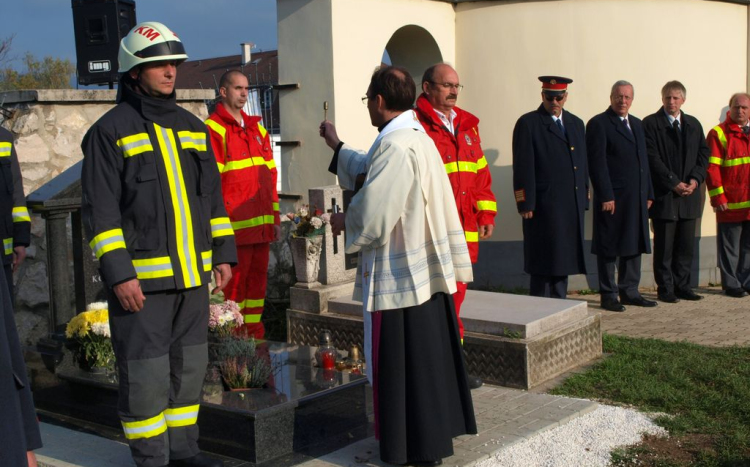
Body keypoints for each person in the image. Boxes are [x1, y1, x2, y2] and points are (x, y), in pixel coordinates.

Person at [81, 22, 237, 467]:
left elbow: (212, 199)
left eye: (173, 63)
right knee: (146, 378)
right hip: (141, 288)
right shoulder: (109, 132)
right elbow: (101, 213)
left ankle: (184, 454)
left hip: (191, 282)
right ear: (133, 71)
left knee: (188, 374)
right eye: (158, 64)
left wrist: (223, 253)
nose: (170, 71)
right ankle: (151, 460)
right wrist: (119, 274)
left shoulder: (193, 128)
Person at [322, 66, 476, 466]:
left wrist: (344, 220)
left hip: (401, 277)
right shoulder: (412, 136)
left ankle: (413, 449)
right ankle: (425, 445)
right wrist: (337, 146)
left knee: (405, 369)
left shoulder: (396, 145)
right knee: (424, 367)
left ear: (377, 101)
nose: (368, 107)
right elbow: (369, 168)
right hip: (423, 277)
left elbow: (374, 214)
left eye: (367, 100)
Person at [413, 64, 496, 388]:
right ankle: (438, 370)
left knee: (456, 299)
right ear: (427, 87)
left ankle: (452, 369)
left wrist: (486, 214)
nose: (453, 91)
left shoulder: (467, 126)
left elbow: (481, 176)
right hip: (433, 231)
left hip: (465, 229)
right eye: (447, 85)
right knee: (435, 301)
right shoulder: (417, 125)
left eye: (457, 86)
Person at [206, 70, 280, 338]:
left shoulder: (257, 129)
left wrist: (275, 219)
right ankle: (234, 352)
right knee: (232, 297)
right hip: (234, 235)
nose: (244, 94)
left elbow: (269, 177)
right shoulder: (213, 130)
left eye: (246, 89)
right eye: (237, 88)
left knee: (257, 294)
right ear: (223, 92)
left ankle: (256, 345)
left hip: (260, 232)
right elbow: (210, 188)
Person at [512, 76, 588, 298]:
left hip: (569, 203)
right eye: (549, 96)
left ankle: (560, 304)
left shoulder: (576, 123)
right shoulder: (529, 123)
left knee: (563, 258)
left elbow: (582, 163)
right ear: (542, 95)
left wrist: (583, 197)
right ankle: (540, 306)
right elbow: (523, 166)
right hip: (543, 205)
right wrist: (524, 202)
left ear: (566, 97)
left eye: (558, 97)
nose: (554, 101)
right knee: (544, 259)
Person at [587, 81, 656, 312]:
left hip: (636, 198)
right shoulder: (599, 124)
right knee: (609, 246)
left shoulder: (637, 124)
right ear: (610, 97)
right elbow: (597, 164)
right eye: (618, 96)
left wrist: (648, 192)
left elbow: (643, 162)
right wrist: (605, 194)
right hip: (612, 199)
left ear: (632, 99)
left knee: (634, 243)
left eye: (627, 97)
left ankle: (630, 291)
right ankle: (609, 294)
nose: (622, 101)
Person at [643, 81, 709, 303]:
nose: (671, 102)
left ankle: (683, 286)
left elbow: (703, 155)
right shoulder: (651, 124)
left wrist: (695, 179)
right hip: (666, 196)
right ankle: (665, 288)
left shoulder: (693, 124)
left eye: (676, 98)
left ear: (683, 100)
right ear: (662, 99)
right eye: (667, 97)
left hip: (689, 196)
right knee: (664, 247)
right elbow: (652, 158)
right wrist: (673, 182)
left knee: (685, 246)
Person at [0, 130, 40, 467]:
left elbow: (15, 195)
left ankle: (20, 444)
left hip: (1, 264)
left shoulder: (2, 139)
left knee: (8, 354)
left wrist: (21, 238)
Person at [706, 93, 750, 298]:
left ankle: (746, 281)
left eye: (744, 108)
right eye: (736, 107)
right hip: (730, 202)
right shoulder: (718, 133)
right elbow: (711, 168)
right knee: (730, 247)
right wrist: (718, 198)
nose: (740, 111)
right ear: (729, 109)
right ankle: (731, 284)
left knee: (748, 247)